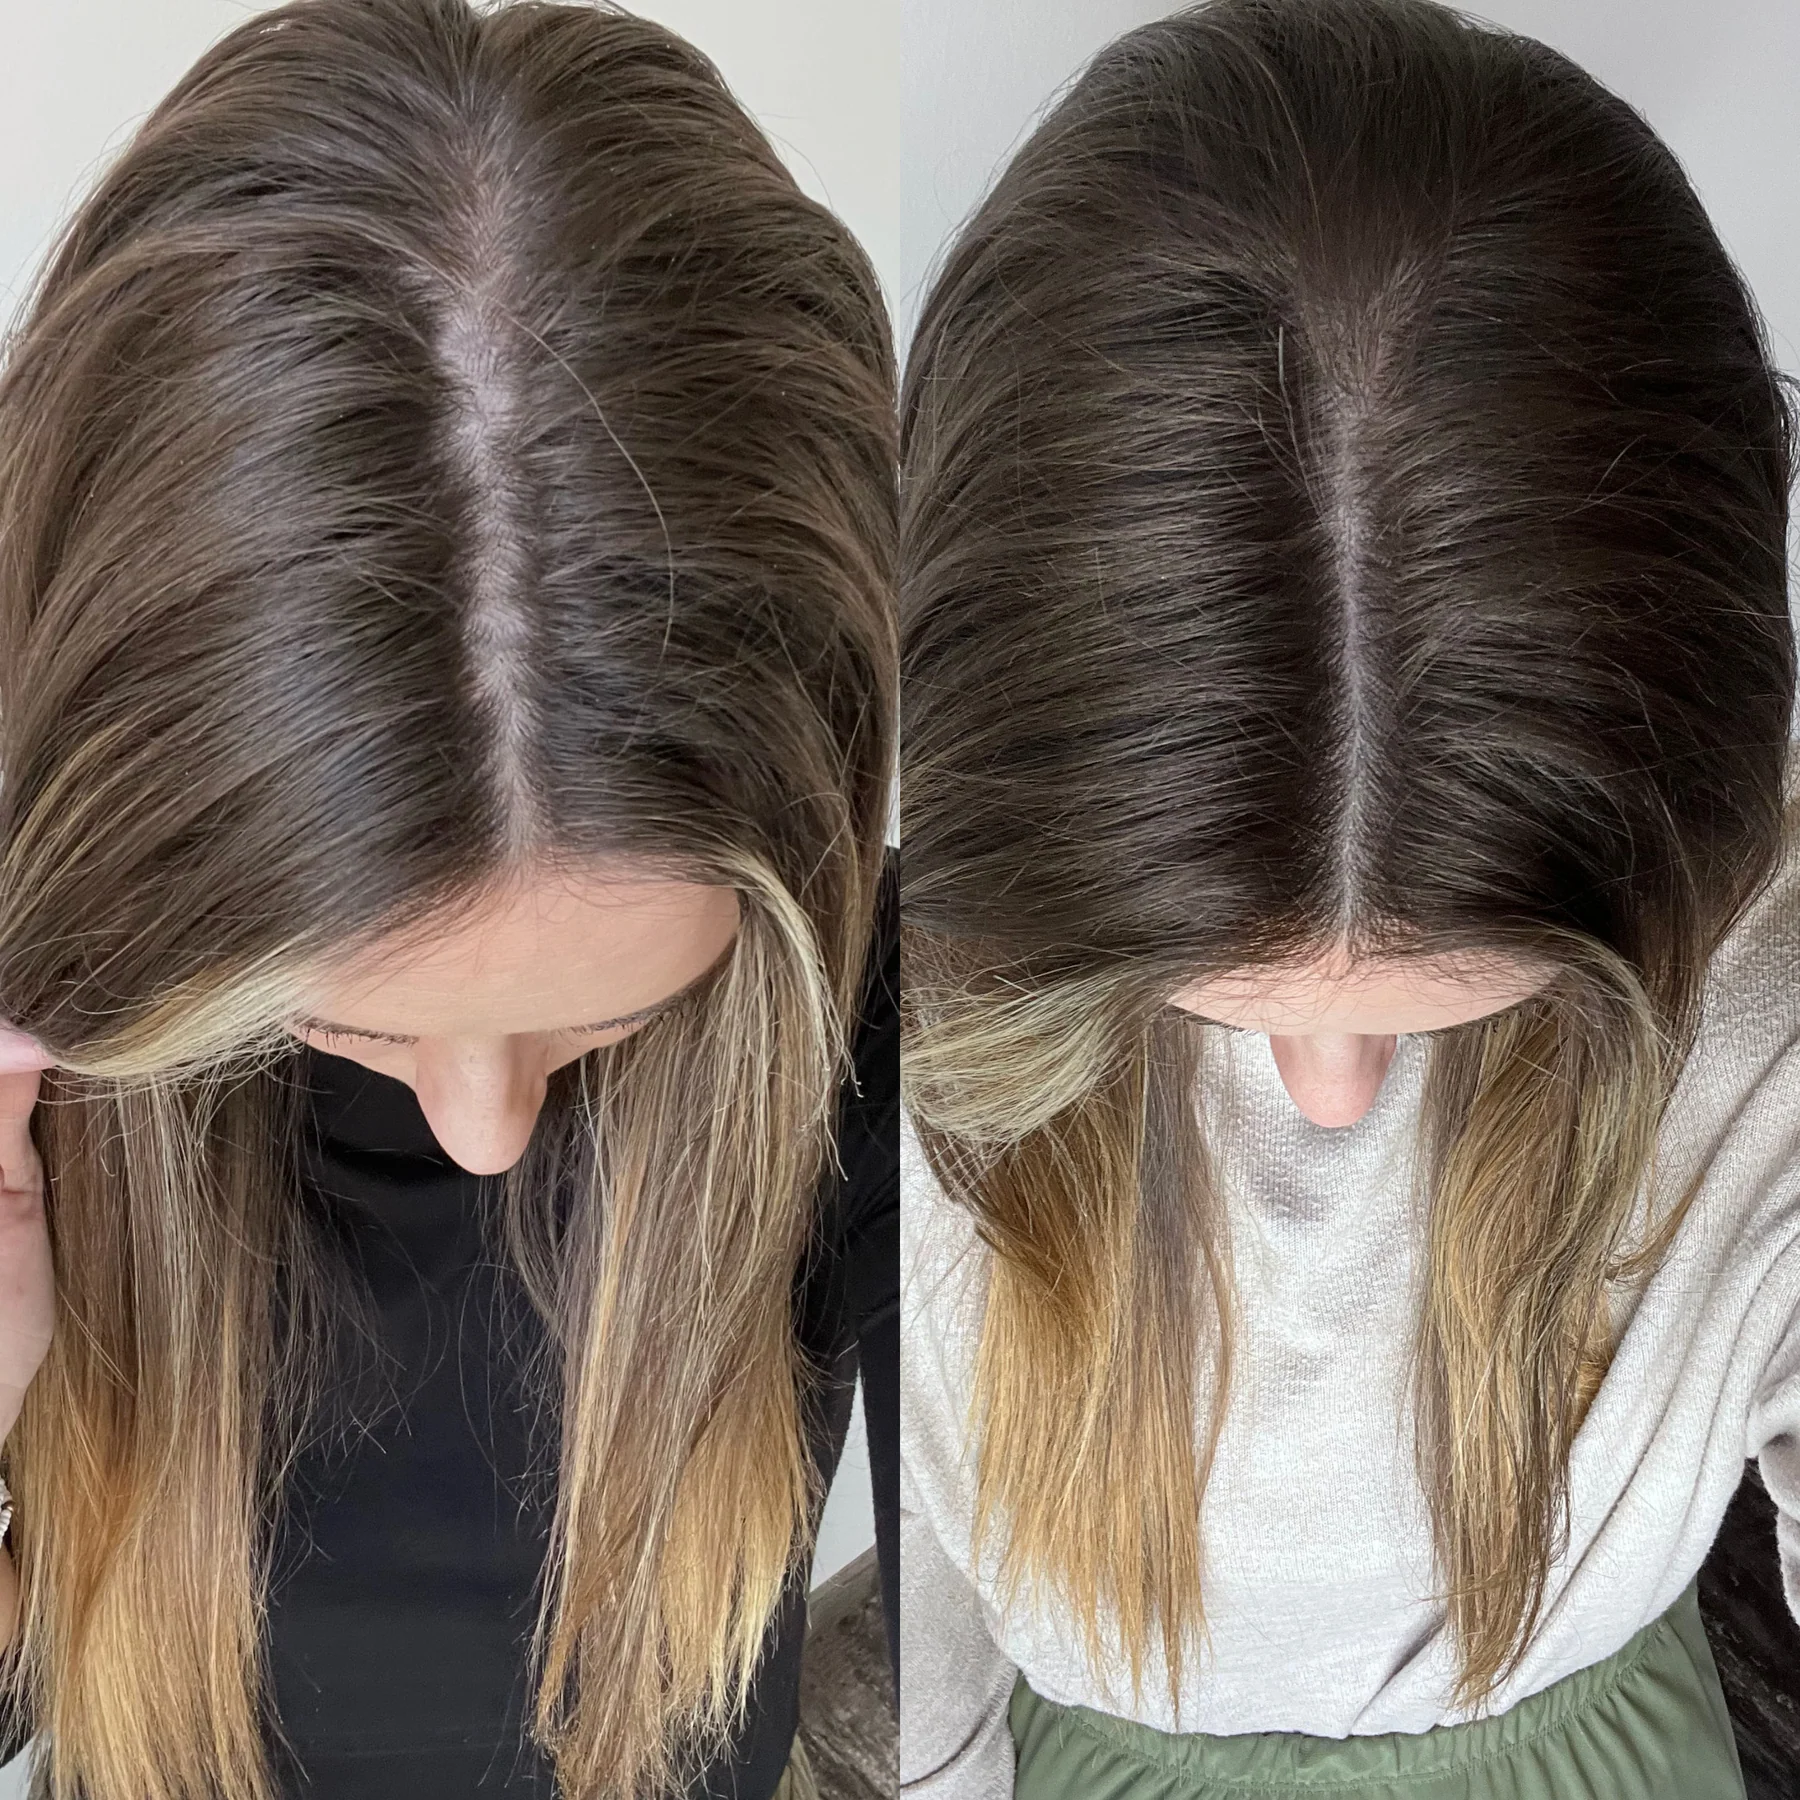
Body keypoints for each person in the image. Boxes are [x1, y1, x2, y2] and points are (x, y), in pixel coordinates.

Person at [896, 1, 1797, 1796]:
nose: (1330, 1096)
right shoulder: (898, 1002)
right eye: (1220, 999)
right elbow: (911, 1560)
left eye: (1455, 1003)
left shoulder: (1761, 1000)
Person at [0, 3, 898, 1797]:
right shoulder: (62, 1065)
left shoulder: (870, 1012)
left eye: (611, 1015)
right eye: (345, 1016)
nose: (489, 1130)